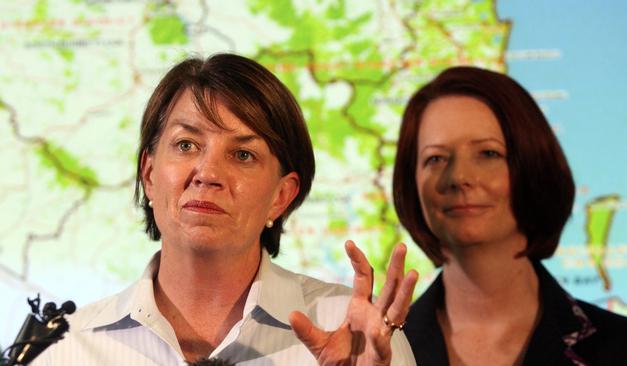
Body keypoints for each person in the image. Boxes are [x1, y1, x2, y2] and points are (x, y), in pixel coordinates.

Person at [33, 53, 417, 365]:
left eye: (243, 154)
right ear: (149, 174)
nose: (208, 173)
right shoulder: (65, 348)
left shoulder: (353, 335)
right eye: (186, 145)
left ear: (282, 196)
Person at [392, 66, 627, 365]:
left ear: (534, 166)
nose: (459, 176)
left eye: (488, 154)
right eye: (435, 158)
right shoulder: (378, 353)